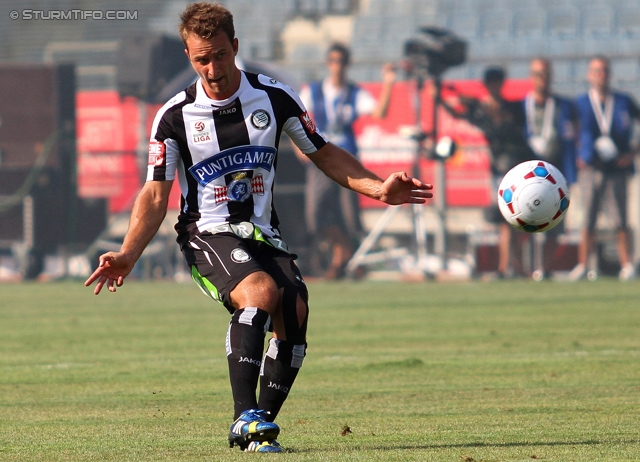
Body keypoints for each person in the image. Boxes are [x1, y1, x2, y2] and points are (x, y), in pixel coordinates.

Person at [84, 2, 432, 454]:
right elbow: (155, 195)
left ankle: (257, 430)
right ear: (189, 56)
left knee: (296, 311)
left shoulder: (273, 97)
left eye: (220, 55)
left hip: (263, 232)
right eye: (200, 59)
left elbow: (322, 152)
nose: (212, 68)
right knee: (260, 293)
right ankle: (244, 415)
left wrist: (378, 189)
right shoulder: (173, 117)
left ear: (236, 47)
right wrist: (128, 252)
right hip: (206, 232)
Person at [295, 43, 396, 279]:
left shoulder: (354, 93)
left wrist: (389, 82)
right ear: (328, 63)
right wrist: (299, 144)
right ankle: (345, 253)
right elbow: (296, 118)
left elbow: (379, 112)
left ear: (347, 64)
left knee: (349, 216)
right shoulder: (314, 91)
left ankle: (346, 261)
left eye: (341, 61)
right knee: (315, 215)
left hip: (346, 161)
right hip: (319, 159)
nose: (337, 66)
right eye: (333, 60)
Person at [441, 66, 535, 278]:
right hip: (498, 168)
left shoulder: (513, 107)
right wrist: (442, 98)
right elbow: (458, 114)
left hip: (517, 166)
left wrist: (478, 103)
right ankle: (505, 266)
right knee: (504, 220)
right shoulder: (481, 110)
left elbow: (507, 120)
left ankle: (516, 265)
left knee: (518, 219)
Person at [569, 55, 640, 281]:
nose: (601, 75)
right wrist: (579, 155)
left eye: (604, 70)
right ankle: (583, 265)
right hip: (591, 168)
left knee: (621, 218)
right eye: (596, 71)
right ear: (590, 75)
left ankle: (627, 264)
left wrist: (632, 153)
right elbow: (570, 133)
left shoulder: (623, 101)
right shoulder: (580, 103)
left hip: (617, 167)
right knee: (588, 218)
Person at [523, 58, 578, 281]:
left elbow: (572, 137)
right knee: (524, 220)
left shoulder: (564, 105)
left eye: (545, 74)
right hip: (527, 178)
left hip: (556, 176)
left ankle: (544, 267)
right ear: (531, 77)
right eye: (537, 74)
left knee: (554, 226)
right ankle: (524, 268)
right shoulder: (521, 106)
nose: (541, 79)